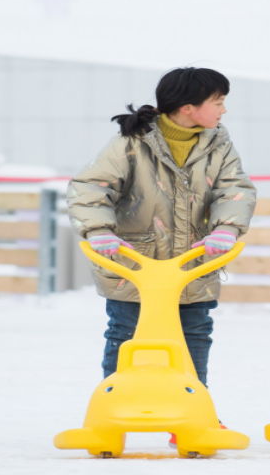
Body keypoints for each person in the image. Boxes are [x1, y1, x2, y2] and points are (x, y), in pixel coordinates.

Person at [67, 67, 256, 441]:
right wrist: (99, 231)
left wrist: (225, 228)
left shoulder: (217, 143)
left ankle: (194, 412)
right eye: (218, 102)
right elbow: (90, 186)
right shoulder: (131, 142)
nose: (223, 110)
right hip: (135, 265)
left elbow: (235, 188)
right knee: (126, 335)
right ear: (187, 107)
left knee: (194, 334)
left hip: (193, 264)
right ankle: (112, 411)